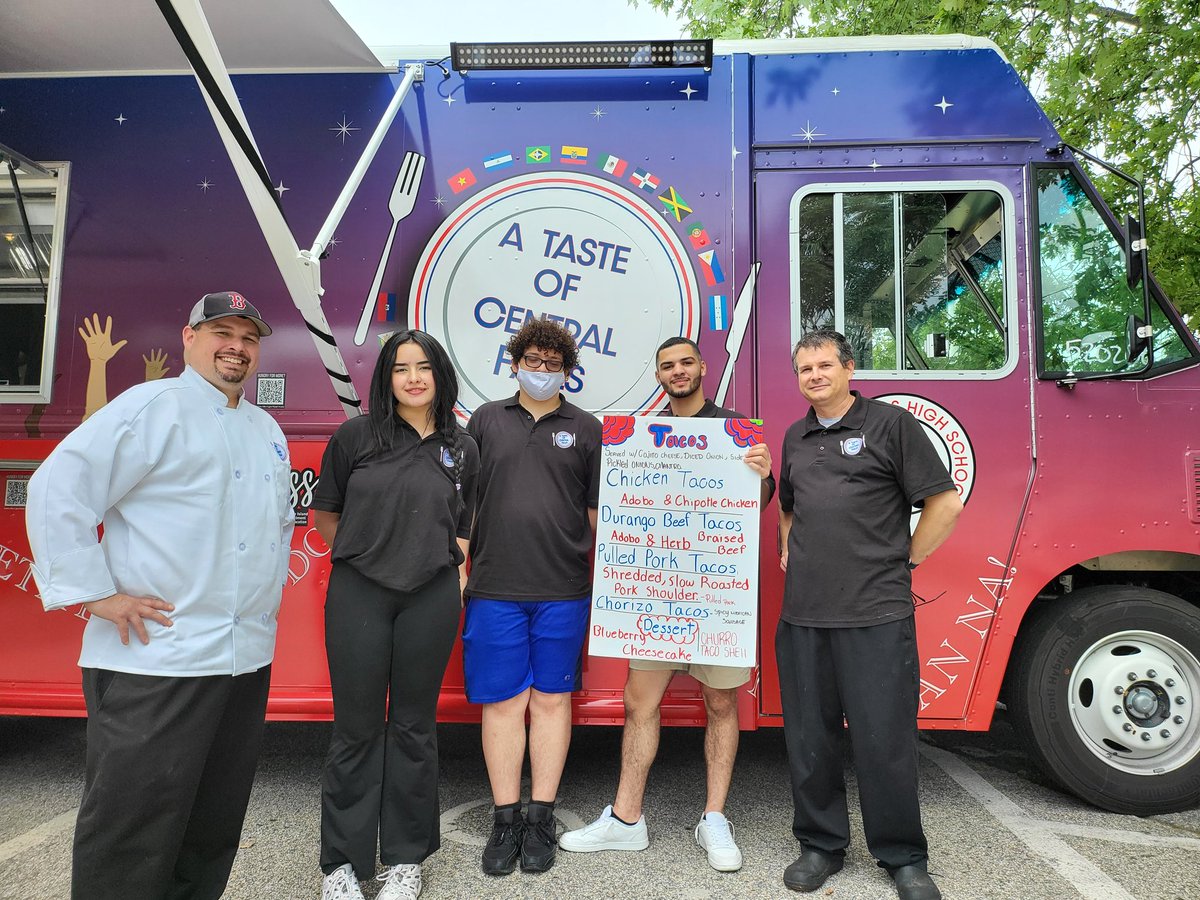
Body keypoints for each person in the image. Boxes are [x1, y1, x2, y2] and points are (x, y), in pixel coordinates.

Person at [25, 291, 293, 900]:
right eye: (222, 332)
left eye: (249, 338)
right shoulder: (152, 407)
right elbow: (57, 488)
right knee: (132, 828)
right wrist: (95, 594)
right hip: (156, 659)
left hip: (242, 659)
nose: (237, 347)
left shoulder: (266, 428)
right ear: (188, 337)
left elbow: (274, 530)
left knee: (210, 824)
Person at [561, 336, 775, 872]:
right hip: (654, 594)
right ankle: (627, 819)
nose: (677, 371)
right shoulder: (638, 437)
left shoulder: (737, 430)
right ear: (658, 375)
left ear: (703, 368)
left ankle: (715, 818)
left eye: (685, 363)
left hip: (716, 596)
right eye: (667, 366)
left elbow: (761, 501)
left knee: (722, 705)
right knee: (639, 703)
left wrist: (763, 472)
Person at [775, 330, 961, 900]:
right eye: (805, 368)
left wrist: (906, 558)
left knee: (885, 740)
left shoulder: (890, 426)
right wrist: (788, 547)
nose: (814, 376)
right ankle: (821, 845)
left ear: (849, 368)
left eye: (824, 365)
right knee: (811, 739)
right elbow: (788, 507)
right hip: (805, 615)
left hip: (876, 612)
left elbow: (944, 503)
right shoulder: (795, 436)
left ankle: (902, 856)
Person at [312, 329, 479, 900]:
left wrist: (450, 573)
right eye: (401, 367)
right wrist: (370, 552)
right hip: (360, 593)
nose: (413, 377)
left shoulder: (462, 447)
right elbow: (327, 517)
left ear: (440, 375)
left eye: (424, 367)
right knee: (356, 729)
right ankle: (342, 864)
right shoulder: (356, 436)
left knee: (414, 728)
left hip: (429, 597)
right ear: (385, 377)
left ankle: (405, 860)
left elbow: (463, 523)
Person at [463, 318, 601, 876]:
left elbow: (596, 515)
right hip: (493, 586)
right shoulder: (484, 420)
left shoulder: (587, 428)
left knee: (551, 701)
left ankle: (540, 816)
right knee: (502, 705)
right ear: (514, 362)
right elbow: (464, 504)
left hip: (564, 589)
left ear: (568, 370)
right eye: (532, 361)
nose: (542, 372)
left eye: (553, 364)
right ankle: (504, 819)